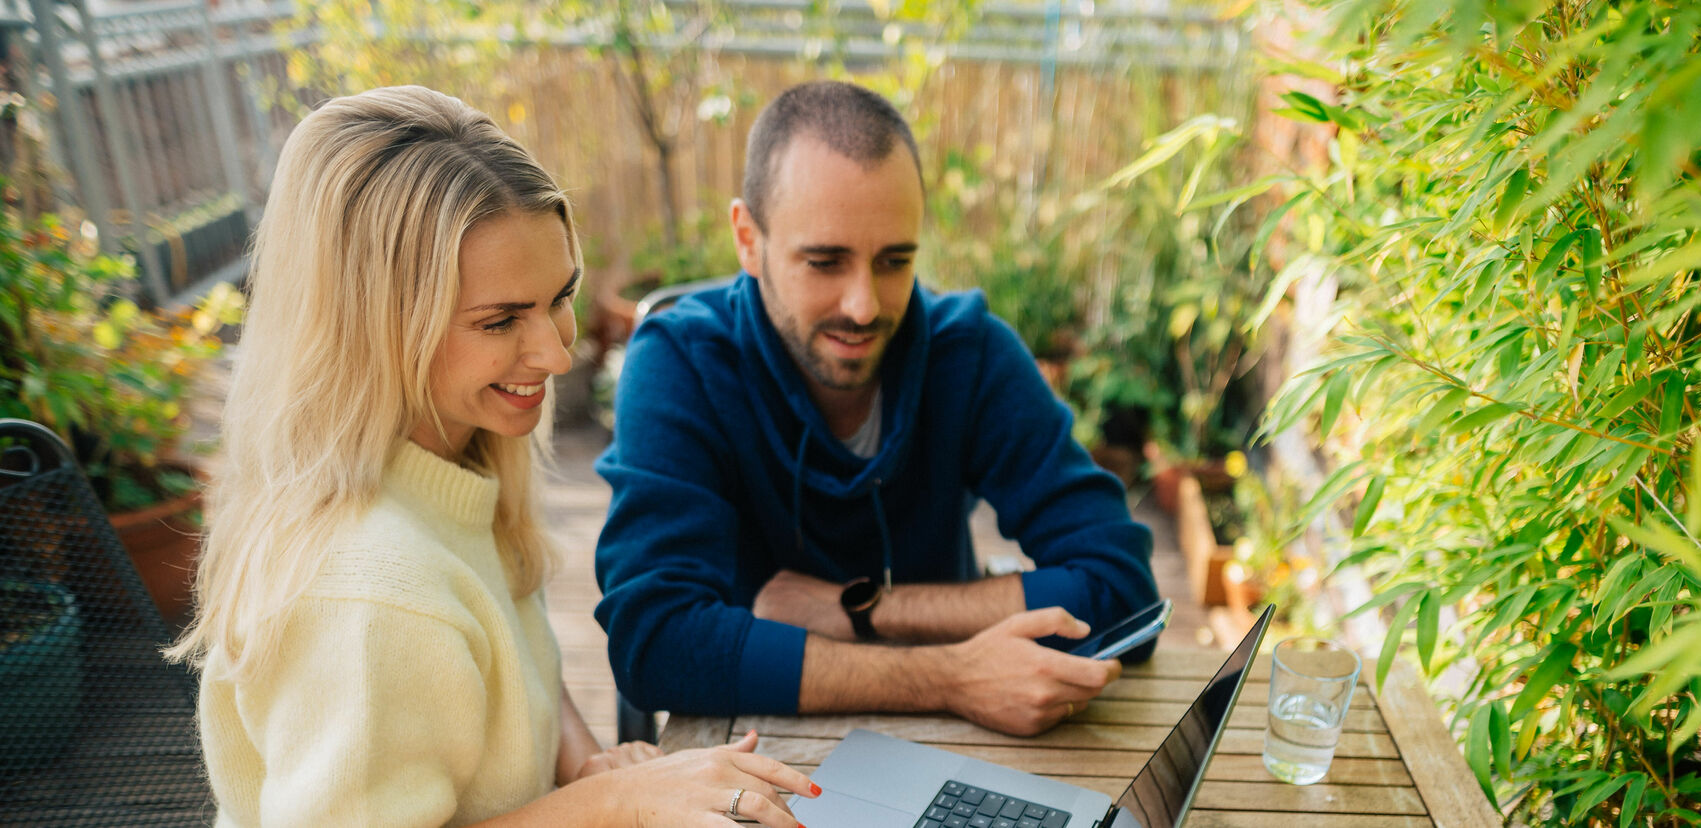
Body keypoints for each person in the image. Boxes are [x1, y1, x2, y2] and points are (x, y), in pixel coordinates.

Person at [166, 86, 817, 827]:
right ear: (375, 326)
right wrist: (614, 802)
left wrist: (583, 765)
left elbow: (522, 652)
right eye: (500, 319)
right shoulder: (369, 599)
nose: (555, 350)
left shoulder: (451, 454)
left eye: (559, 296)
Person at [594, 80, 1160, 737]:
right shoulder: (682, 361)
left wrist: (863, 609)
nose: (863, 306)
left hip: (962, 742)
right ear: (748, 239)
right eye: (826, 261)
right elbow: (655, 642)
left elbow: (1125, 597)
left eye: (894, 261)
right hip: (754, 744)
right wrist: (949, 677)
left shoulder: (969, 355)